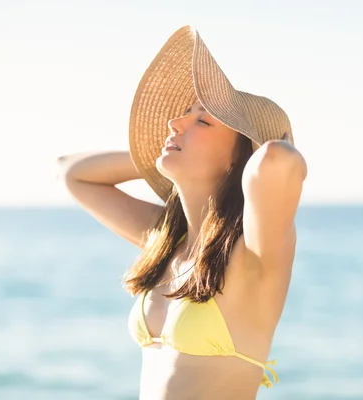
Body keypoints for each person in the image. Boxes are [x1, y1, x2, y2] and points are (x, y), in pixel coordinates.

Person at [57, 25, 307, 400]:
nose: (175, 123)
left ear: (240, 159)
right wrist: (156, 157)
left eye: (202, 120)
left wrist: (259, 151)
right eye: (184, 114)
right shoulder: (165, 240)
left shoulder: (252, 254)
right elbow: (72, 172)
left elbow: (278, 161)